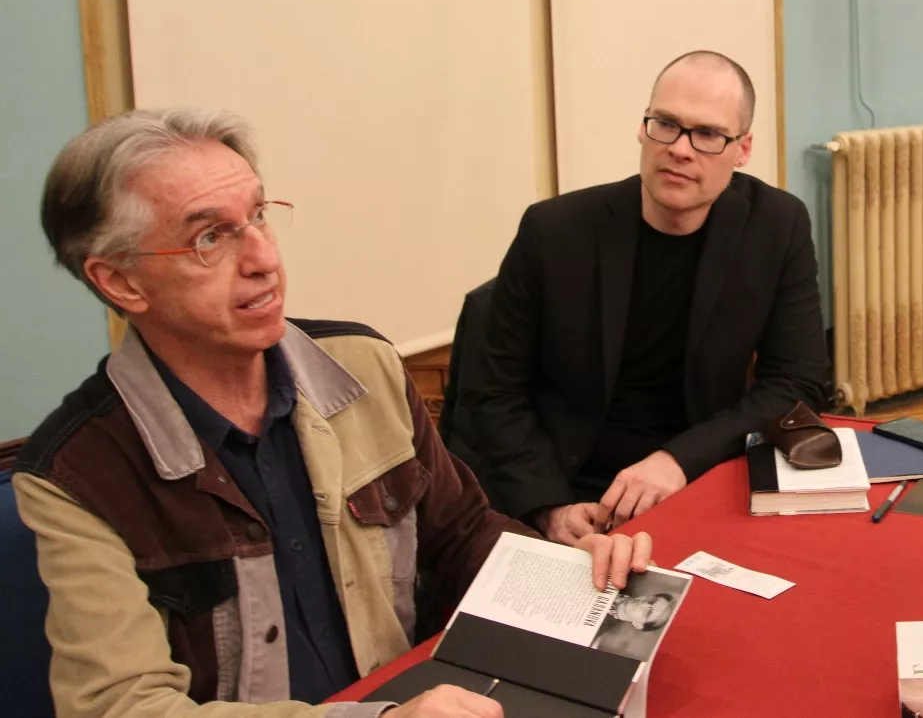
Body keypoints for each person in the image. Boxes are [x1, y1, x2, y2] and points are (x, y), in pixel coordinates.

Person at [14, 108, 651, 718]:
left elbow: (461, 536)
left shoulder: (363, 365)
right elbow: (122, 707)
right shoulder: (76, 475)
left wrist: (567, 576)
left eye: (258, 216)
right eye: (210, 236)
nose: (263, 257)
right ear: (121, 282)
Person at [448, 50, 830, 545]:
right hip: (565, 484)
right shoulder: (553, 232)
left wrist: (676, 461)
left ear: (743, 149)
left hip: (694, 476)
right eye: (665, 124)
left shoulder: (777, 226)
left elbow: (797, 381)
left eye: (709, 134)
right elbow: (492, 393)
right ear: (643, 128)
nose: (681, 149)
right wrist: (548, 508)